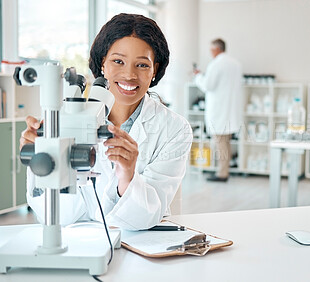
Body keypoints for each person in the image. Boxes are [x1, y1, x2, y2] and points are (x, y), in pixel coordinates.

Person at [20, 14, 193, 230]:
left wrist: (127, 176)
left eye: (142, 65)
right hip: (82, 242)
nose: (129, 75)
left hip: (141, 243)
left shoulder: (174, 129)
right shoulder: (67, 119)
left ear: (155, 70)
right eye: (118, 61)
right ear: (103, 62)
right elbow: (56, 215)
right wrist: (44, 160)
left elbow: (147, 216)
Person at [194, 38, 243, 182]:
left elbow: (208, 85)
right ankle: (224, 170)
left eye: (211, 49)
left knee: (220, 142)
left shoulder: (216, 64)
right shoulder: (235, 64)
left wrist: (198, 77)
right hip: (230, 109)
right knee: (225, 142)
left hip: (219, 110)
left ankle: (222, 173)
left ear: (216, 49)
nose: (210, 52)